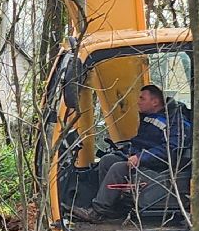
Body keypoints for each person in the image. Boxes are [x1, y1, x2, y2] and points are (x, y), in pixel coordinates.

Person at [74, 83, 190, 223]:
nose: (138, 102)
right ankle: (112, 209)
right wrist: (126, 150)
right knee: (107, 160)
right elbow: (142, 142)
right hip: (145, 159)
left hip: (159, 167)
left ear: (155, 102)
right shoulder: (149, 118)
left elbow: (170, 149)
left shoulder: (176, 122)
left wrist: (140, 157)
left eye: (142, 98)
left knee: (118, 168)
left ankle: (98, 211)